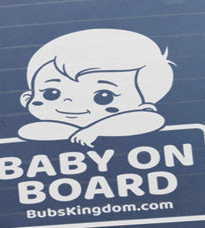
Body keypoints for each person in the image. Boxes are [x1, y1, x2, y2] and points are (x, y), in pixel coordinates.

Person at [18, 28, 173, 145]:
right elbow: (28, 131)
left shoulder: (142, 119)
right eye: (51, 93)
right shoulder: (47, 128)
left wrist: (94, 130)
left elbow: (151, 120)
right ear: (27, 99)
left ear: (144, 107)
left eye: (103, 97)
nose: (69, 103)